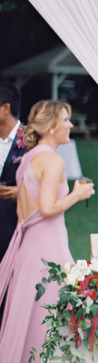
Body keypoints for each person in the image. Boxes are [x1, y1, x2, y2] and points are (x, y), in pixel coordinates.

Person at [0, 100, 94, 363]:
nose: (70, 126)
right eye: (66, 120)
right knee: (49, 324)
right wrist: (77, 195)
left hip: (29, 246)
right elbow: (48, 208)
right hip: (46, 248)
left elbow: (23, 213)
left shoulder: (27, 158)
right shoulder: (52, 161)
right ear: (52, 126)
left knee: (32, 325)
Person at [0, 85, 25, 327]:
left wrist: (21, 191)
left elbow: (44, 178)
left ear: (5, 108)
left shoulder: (30, 139)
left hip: (13, 223)